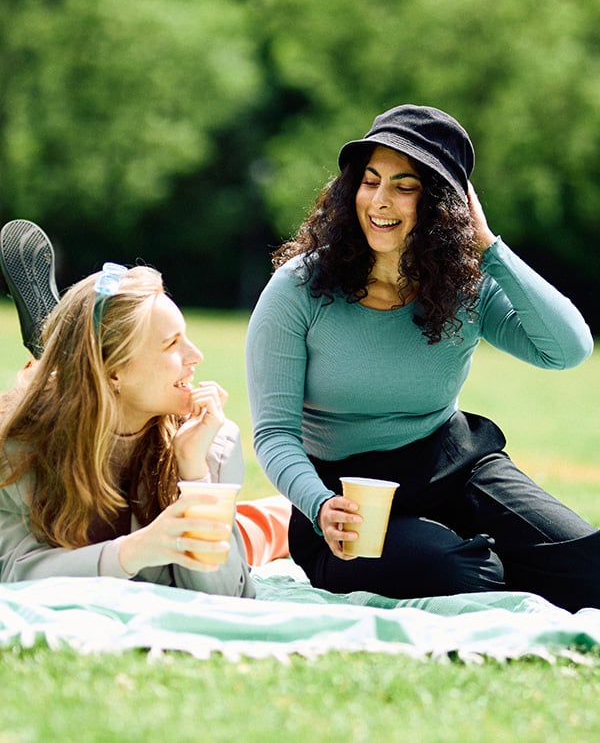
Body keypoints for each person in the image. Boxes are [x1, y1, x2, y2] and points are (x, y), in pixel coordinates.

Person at [245, 104, 599, 613]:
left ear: (441, 204)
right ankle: (480, 556)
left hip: (453, 465)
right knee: (462, 573)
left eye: (404, 186)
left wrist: (488, 246)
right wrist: (320, 507)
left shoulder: (466, 287)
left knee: (590, 572)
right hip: (343, 497)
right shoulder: (300, 287)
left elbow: (567, 349)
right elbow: (274, 434)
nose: (379, 200)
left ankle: (489, 549)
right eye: (370, 181)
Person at [0, 220, 289, 593]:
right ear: (115, 372)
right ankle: (64, 354)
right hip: (72, 415)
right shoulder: (20, 449)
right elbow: (12, 574)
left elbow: (228, 594)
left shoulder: (210, 443)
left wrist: (194, 475)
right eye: (172, 344)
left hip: (229, 531)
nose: (196, 355)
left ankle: (61, 348)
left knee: (277, 524)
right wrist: (133, 551)